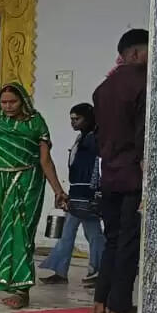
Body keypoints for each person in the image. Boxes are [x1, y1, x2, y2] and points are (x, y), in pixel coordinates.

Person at [0, 83, 67, 311]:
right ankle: (9, 282)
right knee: (8, 232)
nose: (7, 106)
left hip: (28, 182)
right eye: (3, 102)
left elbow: (45, 160)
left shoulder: (36, 123)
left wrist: (58, 190)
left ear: (23, 101)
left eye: (12, 102)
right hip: (2, 185)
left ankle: (22, 290)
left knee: (22, 232)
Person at [92, 29, 149, 313]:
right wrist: (148, 177)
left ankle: (98, 306)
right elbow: (143, 136)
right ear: (136, 54)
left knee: (112, 241)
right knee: (129, 244)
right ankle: (116, 312)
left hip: (109, 175)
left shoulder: (103, 88)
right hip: (133, 177)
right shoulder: (144, 82)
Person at [39, 103, 105, 285]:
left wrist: (94, 192)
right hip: (76, 194)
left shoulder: (95, 139)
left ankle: (98, 271)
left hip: (87, 195)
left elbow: (96, 168)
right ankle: (62, 271)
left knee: (93, 235)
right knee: (69, 233)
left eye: (77, 119)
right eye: (71, 119)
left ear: (89, 118)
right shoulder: (82, 138)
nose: (73, 122)